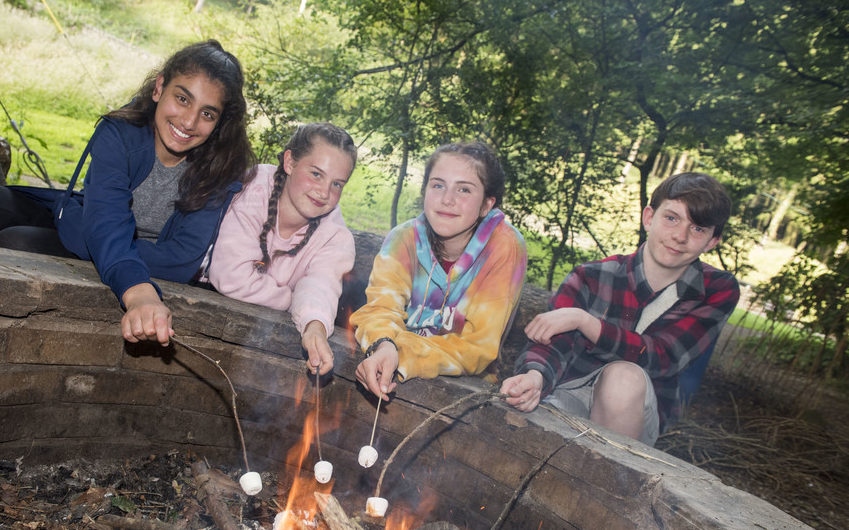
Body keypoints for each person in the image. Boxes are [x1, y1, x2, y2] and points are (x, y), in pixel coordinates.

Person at [0, 40, 255, 346]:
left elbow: (181, 260)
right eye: (182, 98)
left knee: (16, 244)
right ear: (159, 88)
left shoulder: (220, 170)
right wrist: (109, 244)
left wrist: (122, 265)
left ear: (219, 122)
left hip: (107, 239)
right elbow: (106, 216)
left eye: (207, 113)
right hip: (87, 219)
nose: (188, 120)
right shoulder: (120, 133)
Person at [500, 171, 740, 446]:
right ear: (649, 217)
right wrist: (535, 375)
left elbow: (664, 357)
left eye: (698, 229)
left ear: (712, 241)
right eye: (671, 218)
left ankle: (603, 485)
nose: (680, 236)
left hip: (635, 415)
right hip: (570, 390)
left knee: (622, 378)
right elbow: (553, 341)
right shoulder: (590, 276)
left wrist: (585, 322)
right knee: (522, 434)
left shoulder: (716, 289)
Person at [351, 141, 528, 399]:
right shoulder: (404, 238)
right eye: (438, 185)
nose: (447, 199)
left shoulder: (504, 246)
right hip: (388, 363)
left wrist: (402, 353)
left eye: (464, 189)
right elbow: (380, 308)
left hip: (463, 389)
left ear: (487, 204)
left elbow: (477, 346)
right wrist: (384, 343)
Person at [207, 123, 357, 376]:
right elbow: (231, 277)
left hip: (252, 349)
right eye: (317, 174)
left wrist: (314, 324)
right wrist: (291, 299)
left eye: (337, 184)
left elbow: (321, 283)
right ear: (289, 162)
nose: (324, 192)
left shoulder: (335, 236)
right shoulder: (254, 190)